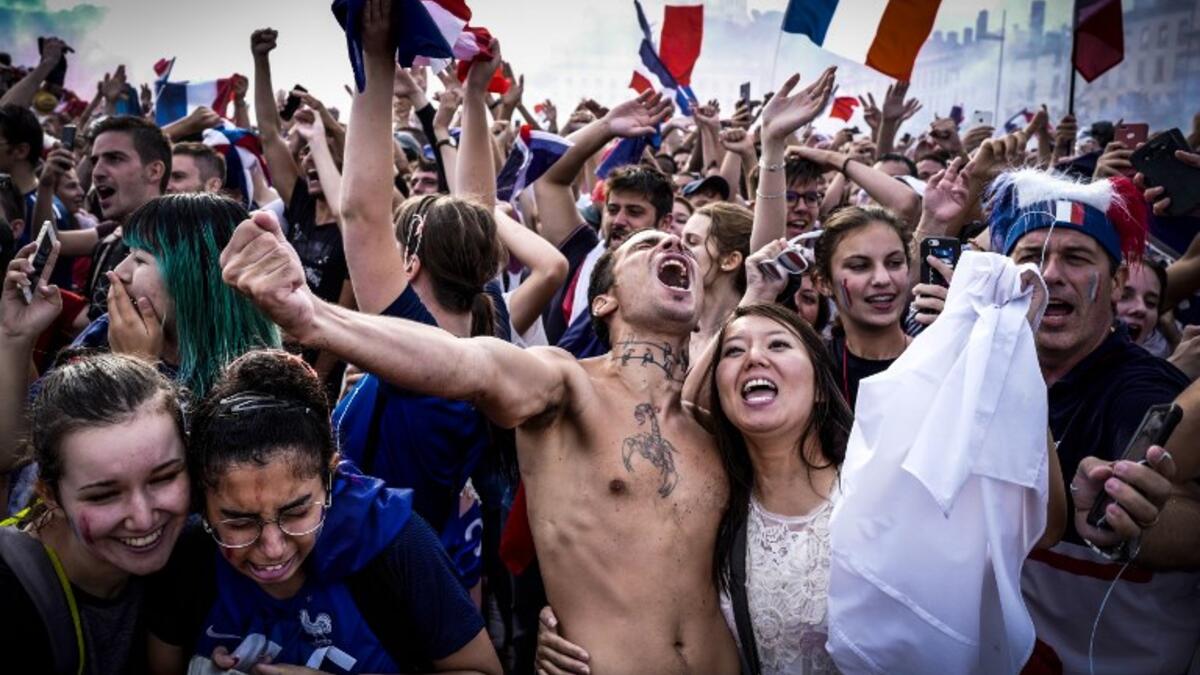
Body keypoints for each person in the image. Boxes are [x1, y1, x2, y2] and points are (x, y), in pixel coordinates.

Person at [146, 349, 501, 674]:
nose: (273, 548)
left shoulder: (395, 545)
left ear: (331, 478)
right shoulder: (189, 557)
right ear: (202, 506)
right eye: (239, 521)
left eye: (296, 512)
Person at [332, 2, 508, 594]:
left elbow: (359, 213)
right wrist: (476, 101)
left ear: (410, 262)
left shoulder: (421, 350)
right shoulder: (489, 327)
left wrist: (377, 62)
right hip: (441, 575)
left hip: (382, 591)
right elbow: (477, 213)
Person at [0, 343, 190, 675]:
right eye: (104, 496)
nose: (144, 518)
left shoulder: (206, 549)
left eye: (164, 478)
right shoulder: (11, 597)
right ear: (49, 494)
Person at [73, 193, 280, 397]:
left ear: (195, 278)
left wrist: (135, 367)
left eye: (140, 260)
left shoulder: (253, 385)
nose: (119, 272)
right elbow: (45, 420)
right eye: (129, 254)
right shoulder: (108, 329)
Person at [811, 206, 913, 408]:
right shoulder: (813, 369)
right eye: (859, 266)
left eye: (894, 263)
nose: (882, 279)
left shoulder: (940, 357)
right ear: (823, 282)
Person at [682, 201, 751, 355]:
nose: (678, 248)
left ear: (730, 260)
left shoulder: (752, 338)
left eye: (692, 242)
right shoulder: (671, 331)